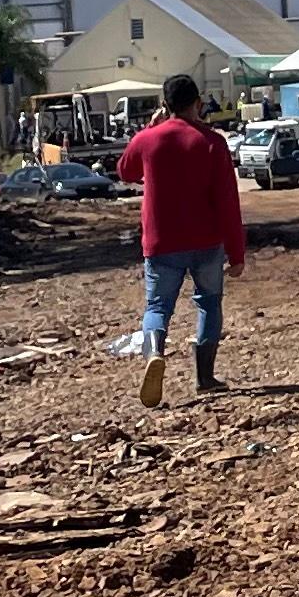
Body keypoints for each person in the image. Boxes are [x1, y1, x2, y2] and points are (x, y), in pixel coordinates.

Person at [114, 72, 249, 406]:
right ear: (199, 104)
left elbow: (125, 171)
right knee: (209, 303)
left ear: (165, 105)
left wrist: (149, 128)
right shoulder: (212, 142)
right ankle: (205, 378)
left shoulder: (149, 140)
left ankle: (154, 354)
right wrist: (237, 252)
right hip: (207, 241)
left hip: (161, 242)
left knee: (157, 306)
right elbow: (227, 202)